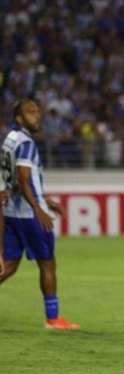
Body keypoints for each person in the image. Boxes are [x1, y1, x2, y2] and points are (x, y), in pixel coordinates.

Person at [0, 99, 80, 329]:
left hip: (12, 213)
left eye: (37, 111)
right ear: (19, 118)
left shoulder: (10, 139)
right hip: (29, 215)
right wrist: (39, 210)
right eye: (30, 112)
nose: (37, 116)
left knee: (9, 265)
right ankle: (53, 319)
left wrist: (46, 200)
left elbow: (16, 181)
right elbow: (24, 179)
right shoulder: (26, 143)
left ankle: (53, 318)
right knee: (47, 265)